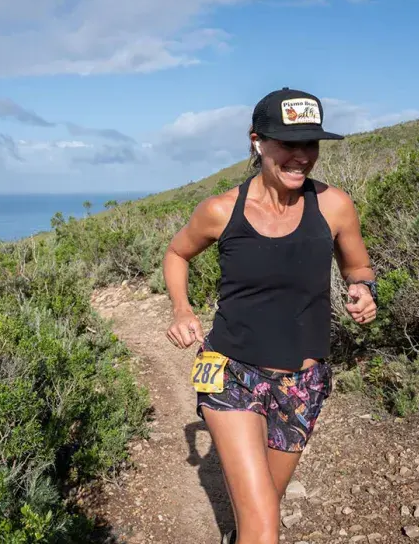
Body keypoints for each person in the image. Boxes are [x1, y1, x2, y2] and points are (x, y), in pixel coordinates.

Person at [162, 87, 378, 544]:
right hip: (232, 374)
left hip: (304, 381)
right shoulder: (221, 211)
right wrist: (182, 309)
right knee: (263, 527)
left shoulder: (334, 205)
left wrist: (362, 288)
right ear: (257, 141)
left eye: (310, 144)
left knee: (264, 506)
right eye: (288, 144)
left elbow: (357, 265)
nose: (301, 156)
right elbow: (177, 253)